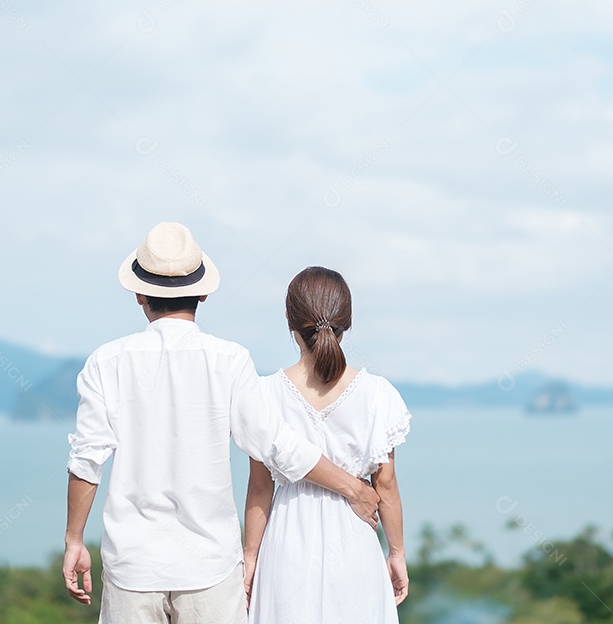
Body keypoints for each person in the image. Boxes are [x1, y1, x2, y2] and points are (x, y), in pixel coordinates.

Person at [63, 222, 381, 624]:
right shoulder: (229, 360)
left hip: (133, 567)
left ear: (139, 293)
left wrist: (74, 539)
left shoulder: (106, 362)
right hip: (210, 568)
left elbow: (86, 460)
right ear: (204, 292)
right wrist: (353, 487)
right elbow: (275, 445)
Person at [244, 266, 411, 623]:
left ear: (290, 320)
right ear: (347, 321)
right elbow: (386, 485)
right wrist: (396, 553)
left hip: (286, 543)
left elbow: (260, 488)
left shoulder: (264, 395)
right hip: (355, 539)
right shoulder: (378, 395)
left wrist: (250, 557)